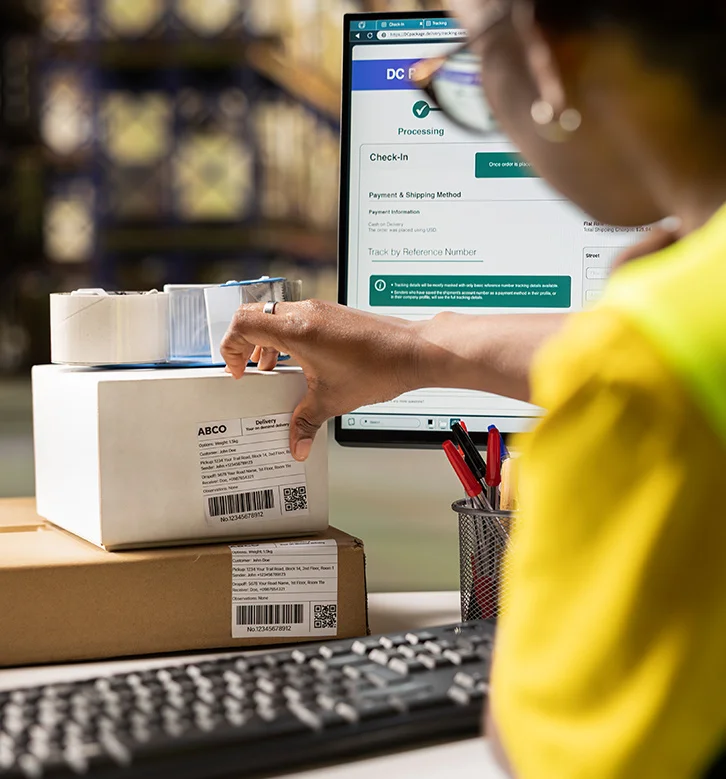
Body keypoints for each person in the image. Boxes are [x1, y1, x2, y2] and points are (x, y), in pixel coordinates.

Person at [221, 1, 726, 776]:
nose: (435, 77)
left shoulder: (643, 369)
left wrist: (622, 339)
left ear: (551, 57)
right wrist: (422, 348)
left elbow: (554, 752)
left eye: (468, 52)